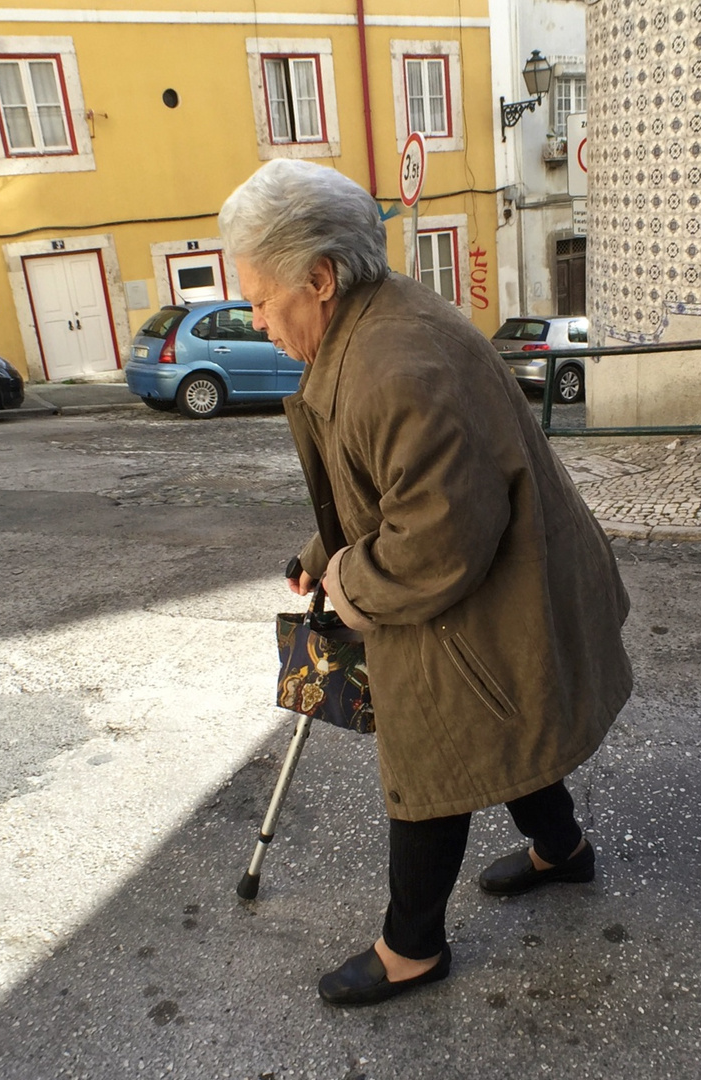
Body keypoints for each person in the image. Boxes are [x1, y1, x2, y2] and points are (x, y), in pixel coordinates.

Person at [218, 159, 633, 1008]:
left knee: (432, 756)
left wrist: (344, 575)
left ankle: (411, 946)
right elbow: (382, 480)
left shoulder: (392, 365)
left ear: (322, 278)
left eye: (262, 299)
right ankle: (564, 852)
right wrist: (319, 547)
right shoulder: (374, 325)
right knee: (506, 715)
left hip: (483, 595)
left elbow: (433, 543)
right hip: (508, 581)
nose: (257, 320)